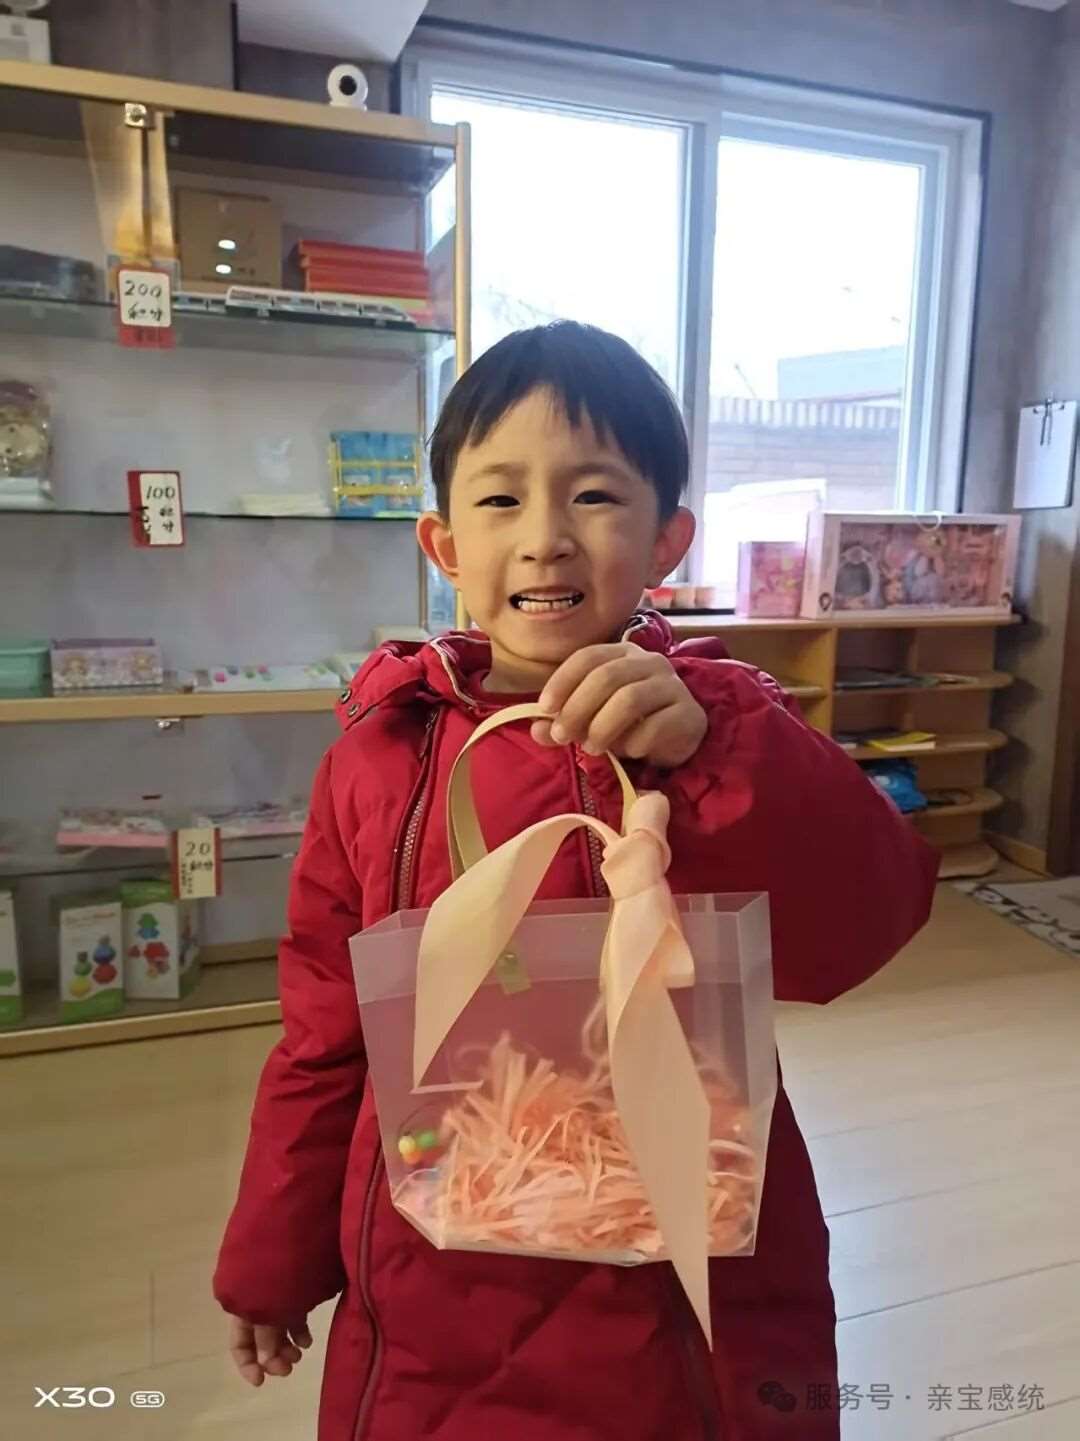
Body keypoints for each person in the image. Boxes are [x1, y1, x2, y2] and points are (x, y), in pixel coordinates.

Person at [214, 321, 938, 1441]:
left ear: (667, 539)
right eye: (501, 500)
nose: (546, 538)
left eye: (595, 496)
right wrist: (272, 1257)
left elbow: (861, 926)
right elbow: (323, 1032)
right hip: (433, 1274)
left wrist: (714, 750)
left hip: (690, 1280)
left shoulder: (721, 727)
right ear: (444, 543)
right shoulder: (378, 760)